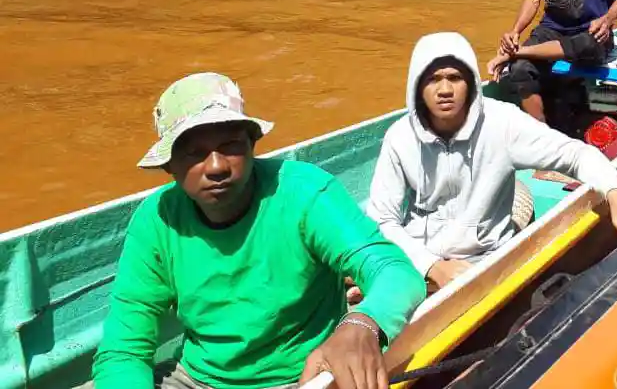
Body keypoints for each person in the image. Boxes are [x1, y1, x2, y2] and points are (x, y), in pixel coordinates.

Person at [90, 73, 426, 389]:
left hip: (303, 376)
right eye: (195, 153)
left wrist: (362, 324)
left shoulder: (303, 193)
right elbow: (124, 350)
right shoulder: (157, 219)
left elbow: (395, 272)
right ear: (168, 165)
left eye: (231, 145)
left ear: (252, 144)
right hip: (196, 378)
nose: (217, 166)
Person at [367, 32, 617, 292]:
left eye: (455, 78)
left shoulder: (502, 123)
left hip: (484, 260)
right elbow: (382, 218)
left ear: (470, 83)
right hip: (418, 259)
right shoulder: (400, 137)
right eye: (432, 79)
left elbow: (576, 154)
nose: (444, 89)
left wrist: (616, 192)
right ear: (417, 86)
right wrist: (431, 266)